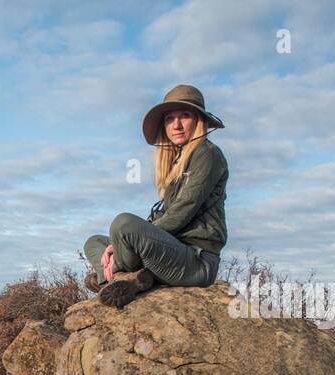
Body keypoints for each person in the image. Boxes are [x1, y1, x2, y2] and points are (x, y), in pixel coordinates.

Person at [84, 84, 228, 308]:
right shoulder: (177, 160)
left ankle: (112, 277)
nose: (176, 125)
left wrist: (123, 240)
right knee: (93, 243)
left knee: (123, 224)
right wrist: (117, 243)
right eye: (170, 118)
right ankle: (138, 278)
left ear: (199, 120)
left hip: (195, 260)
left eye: (185, 116)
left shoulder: (207, 154)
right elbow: (165, 215)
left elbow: (182, 211)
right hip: (170, 251)